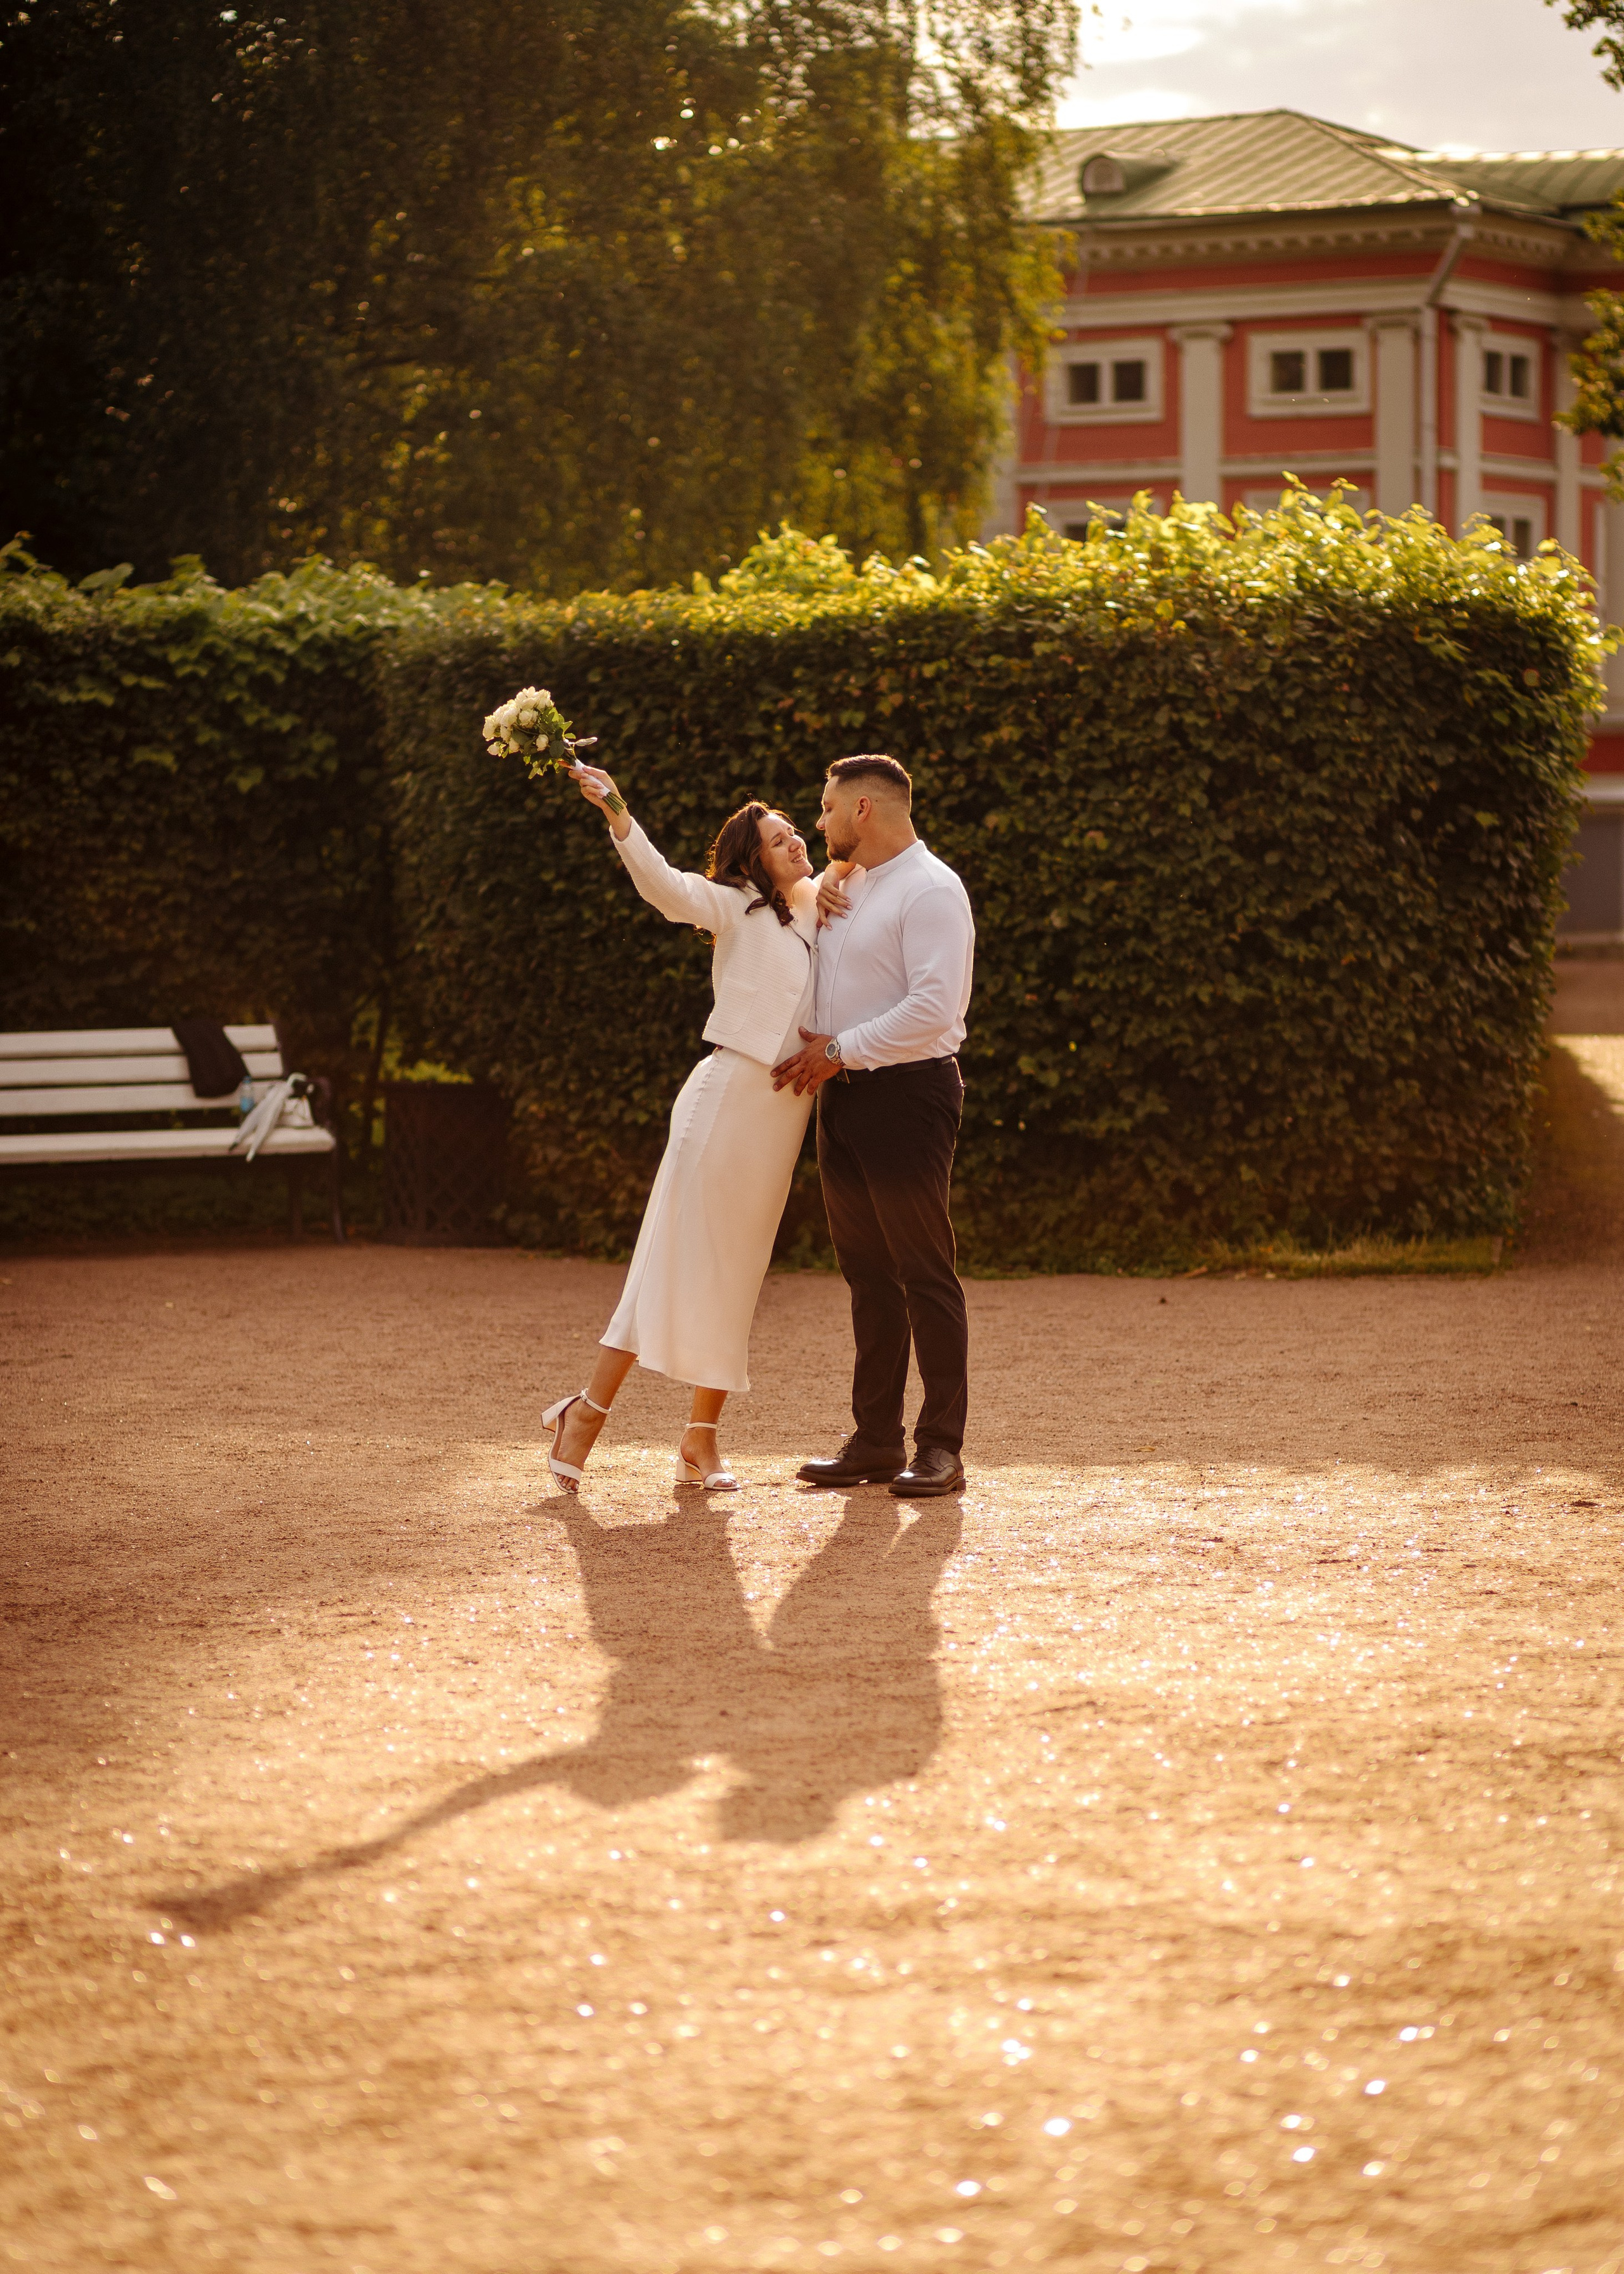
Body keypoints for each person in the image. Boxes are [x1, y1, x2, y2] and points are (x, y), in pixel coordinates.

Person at [542, 765, 827, 1492]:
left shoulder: (821, 913)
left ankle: (700, 1440)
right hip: (725, 1093)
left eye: (796, 831)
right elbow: (664, 886)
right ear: (750, 860)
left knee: (739, 1270)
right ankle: (588, 1412)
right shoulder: (733, 905)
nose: (795, 841)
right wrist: (617, 811)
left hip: (782, 1113)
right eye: (777, 838)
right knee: (668, 1256)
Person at [771, 754, 976, 1499]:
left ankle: (941, 1449)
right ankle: (875, 1442)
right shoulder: (846, 882)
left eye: (825, 808)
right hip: (842, 1096)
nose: (816, 822)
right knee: (867, 1276)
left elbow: (934, 1007)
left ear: (863, 808)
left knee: (924, 1271)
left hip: (908, 1096)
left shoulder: (932, 890)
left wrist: (837, 1049)